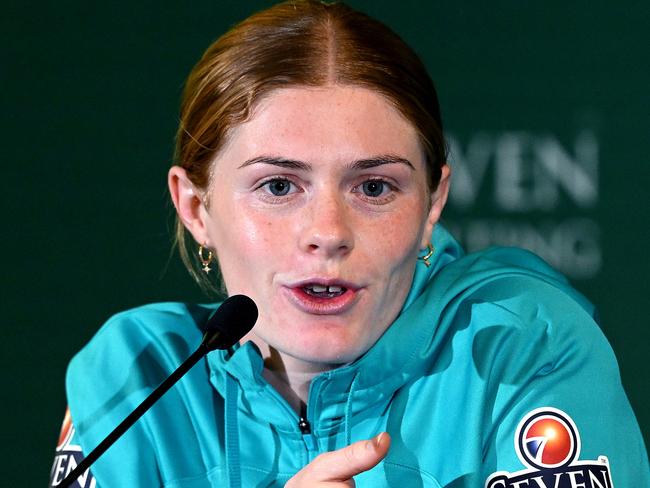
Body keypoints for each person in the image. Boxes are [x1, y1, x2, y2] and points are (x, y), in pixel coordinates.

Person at [50, 1, 649, 487]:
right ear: (196, 208)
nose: (329, 232)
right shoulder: (133, 377)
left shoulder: (519, 346)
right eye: (279, 186)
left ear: (433, 203)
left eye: (374, 186)